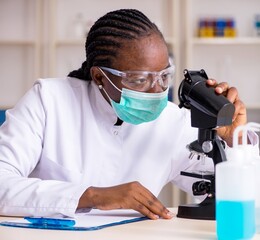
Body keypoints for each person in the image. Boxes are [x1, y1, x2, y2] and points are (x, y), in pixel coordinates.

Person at [0, 9, 255, 220]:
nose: (157, 90)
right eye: (140, 79)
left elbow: (241, 199)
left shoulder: (173, 121)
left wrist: (235, 142)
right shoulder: (48, 101)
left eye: (164, 75)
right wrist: (92, 195)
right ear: (99, 76)